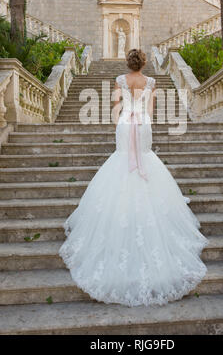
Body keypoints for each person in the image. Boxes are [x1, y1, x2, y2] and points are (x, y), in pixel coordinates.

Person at [59, 49, 208, 307]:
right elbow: (150, 108)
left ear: (128, 63)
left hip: (126, 123)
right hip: (143, 124)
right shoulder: (150, 82)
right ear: (144, 64)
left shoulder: (119, 80)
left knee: (123, 159)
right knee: (145, 159)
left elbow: (117, 105)